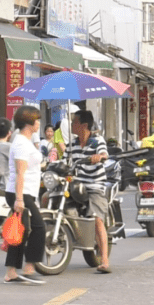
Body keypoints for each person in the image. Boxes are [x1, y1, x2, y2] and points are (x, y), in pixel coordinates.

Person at [4, 105, 47, 285]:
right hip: (20, 193)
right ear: (30, 123)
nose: (39, 123)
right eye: (37, 120)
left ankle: (12, 272)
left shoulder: (25, 141)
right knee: (39, 227)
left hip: (24, 192)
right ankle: (29, 267)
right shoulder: (21, 143)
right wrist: (20, 199)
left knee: (21, 232)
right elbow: (20, 172)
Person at [67, 110, 112, 274]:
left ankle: (105, 259)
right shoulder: (71, 144)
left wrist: (99, 157)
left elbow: (104, 153)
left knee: (97, 219)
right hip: (76, 185)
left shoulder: (96, 141)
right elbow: (65, 161)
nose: (72, 125)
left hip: (94, 185)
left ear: (84, 125)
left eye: (74, 122)